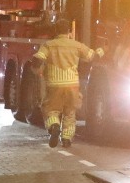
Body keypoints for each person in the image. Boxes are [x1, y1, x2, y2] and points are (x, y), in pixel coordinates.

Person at [34, 20, 101, 148]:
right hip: (72, 85)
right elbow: (92, 56)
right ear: (69, 31)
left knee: (51, 109)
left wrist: (36, 70)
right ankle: (66, 139)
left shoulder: (48, 45)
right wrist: (103, 50)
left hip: (54, 84)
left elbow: (38, 59)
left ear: (55, 31)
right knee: (70, 112)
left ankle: (54, 126)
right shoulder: (77, 45)